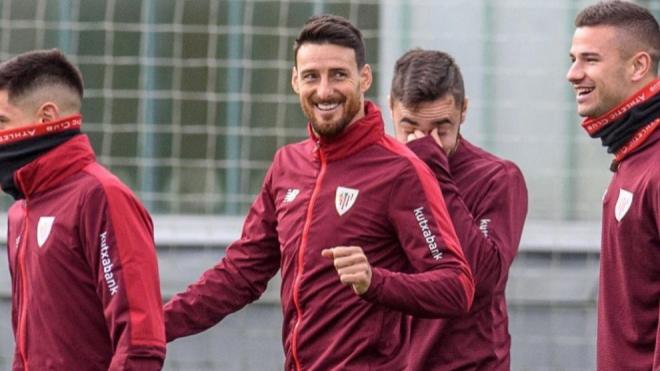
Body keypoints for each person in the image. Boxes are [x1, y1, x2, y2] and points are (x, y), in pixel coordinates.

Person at [164, 14, 475, 370]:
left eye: (339, 75)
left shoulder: (401, 171)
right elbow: (239, 274)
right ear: (295, 81)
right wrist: (154, 327)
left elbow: (456, 287)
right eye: (312, 76)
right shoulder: (287, 165)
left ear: (365, 79)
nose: (325, 91)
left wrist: (376, 281)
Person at [0, 49, 166, 369]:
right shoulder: (20, 212)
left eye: (2, 121)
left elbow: (140, 344)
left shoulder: (101, 197)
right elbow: (27, 348)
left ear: (46, 117)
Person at [389, 49, 528, 370]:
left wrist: (433, 174)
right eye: (409, 127)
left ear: (463, 111)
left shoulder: (497, 178)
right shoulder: (375, 175)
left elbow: (482, 280)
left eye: (441, 128)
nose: (423, 140)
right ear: (391, 108)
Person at [566, 1, 660, 369]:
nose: (573, 74)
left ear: (638, 66)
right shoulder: (632, 157)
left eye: (590, 60)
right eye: (573, 58)